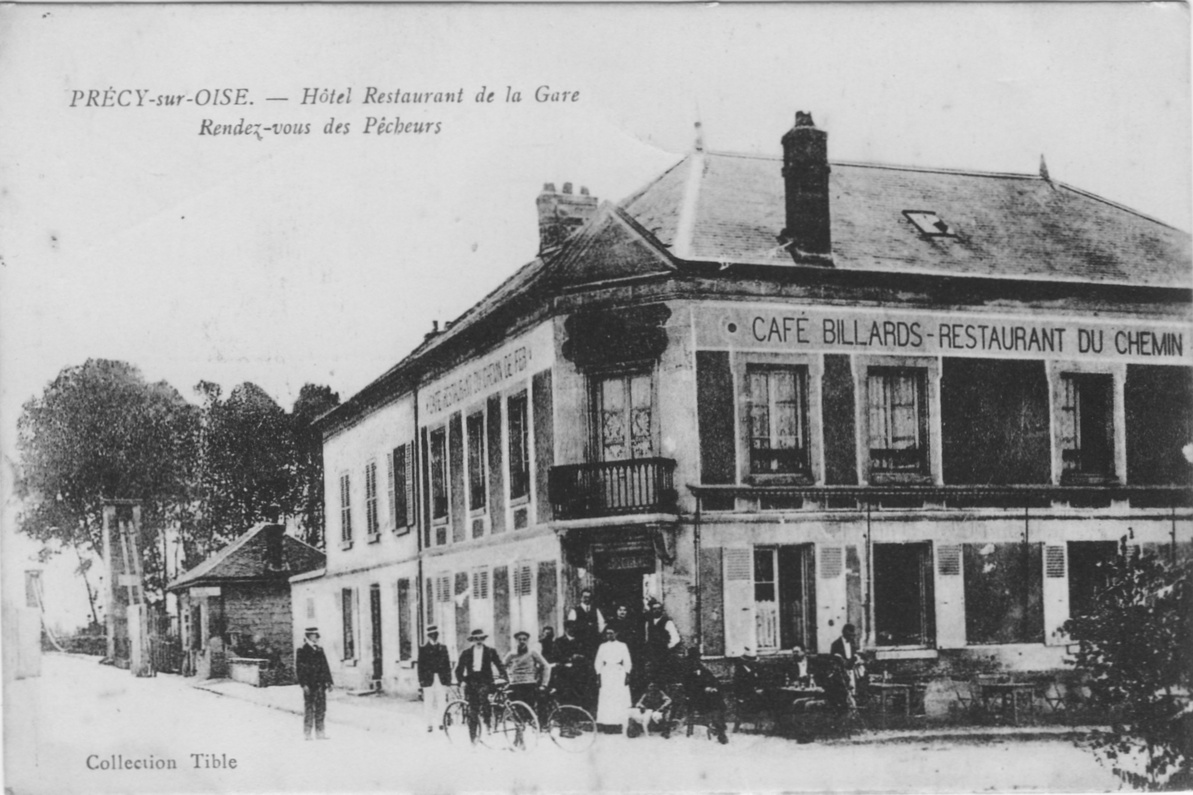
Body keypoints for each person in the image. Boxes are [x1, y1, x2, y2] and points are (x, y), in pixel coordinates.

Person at [454, 628, 508, 744]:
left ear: (484, 639)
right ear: (472, 640)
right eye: (476, 639)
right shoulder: (466, 653)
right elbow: (459, 670)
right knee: (472, 711)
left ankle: (488, 724)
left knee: (484, 696)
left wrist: (504, 677)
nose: (479, 641)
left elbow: (500, 665)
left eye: (481, 639)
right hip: (472, 682)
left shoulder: (490, 651)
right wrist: (461, 681)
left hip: (486, 681)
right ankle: (473, 738)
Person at [682, 647, 729, 744]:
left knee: (717, 700)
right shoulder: (686, 668)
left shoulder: (700, 667)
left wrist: (714, 686)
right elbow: (689, 685)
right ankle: (719, 729)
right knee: (714, 703)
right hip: (695, 697)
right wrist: (704, 689)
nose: (697, 659)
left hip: (706, 695)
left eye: (697, 657)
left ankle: (719, 728)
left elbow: (711, 678)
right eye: (695, 657)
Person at [295, 626, 333, 740]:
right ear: (309, 636)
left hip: (320, 684)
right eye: (314, 636)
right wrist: (304, 684)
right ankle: (307, 733)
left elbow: (325, 667)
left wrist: (329, 682)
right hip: (309, 685)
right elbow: (300, 669)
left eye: (316, 636)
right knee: (309, 709)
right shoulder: (302, 650)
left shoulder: (320, 650)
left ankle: (320, 733)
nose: (316, 638)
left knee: (321, 708)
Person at [593, 626, 633, 733]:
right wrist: (598, 676)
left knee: (619, 698)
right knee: (607, 699)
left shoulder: (622, 646)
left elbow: (627, 661)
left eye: (611, 633)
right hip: (606, 674)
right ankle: (607, 725)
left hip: (619, 673)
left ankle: (619, 724)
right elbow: (598, 662)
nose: (609, 635)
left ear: (616, 633)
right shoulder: (602, 646)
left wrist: (627, 674)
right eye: (607, 633)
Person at [504, 630, 551, 712]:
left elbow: (546, 666)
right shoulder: (511, 654)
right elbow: (501, 666)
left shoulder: (533, 652)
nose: (522, 641)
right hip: (515, 684)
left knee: (533, 705)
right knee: (516, 708)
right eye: (519, 639)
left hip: (530, 683)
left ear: (528, 640)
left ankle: (538, 722)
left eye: (524, 639)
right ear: (516, 641)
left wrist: (544, 684)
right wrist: (506, 678)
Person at [417, 625, 452, 733]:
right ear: (428, 636)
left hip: (440, 679)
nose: (434, 637)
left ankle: (441, 722)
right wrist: (421, 682)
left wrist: (448, 681)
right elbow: (420, 667)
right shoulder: (423, 649)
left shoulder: (443, 648)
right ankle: (429, 724)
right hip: (428, 680)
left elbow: (447, 666)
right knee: (429, 702)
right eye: (431, 635)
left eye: (435, 634)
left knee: (442, 701)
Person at [642, 598, 681, 685]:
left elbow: (676, 638)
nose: (656, 611)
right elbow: (647, 637)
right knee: (653, 676)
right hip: (653, 654)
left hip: (664, 654)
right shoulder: (649, 622)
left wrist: (666, 647)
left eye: (658, 608)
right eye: (654, 609)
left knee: (663, 675)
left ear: (661, 610)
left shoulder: (667, 622)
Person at [567, 589, 605, 660]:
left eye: (588, 597)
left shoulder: (595, 610)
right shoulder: (575, 610)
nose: (587, 599)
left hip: (593, 642)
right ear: (581, 598)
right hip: (580, 642)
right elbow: (570, 626)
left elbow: (601, 624)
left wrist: (596, 634)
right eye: (585, 597)